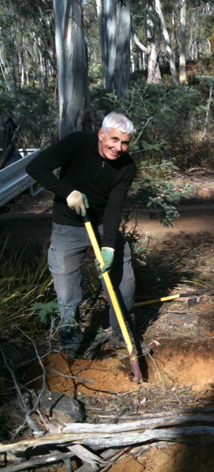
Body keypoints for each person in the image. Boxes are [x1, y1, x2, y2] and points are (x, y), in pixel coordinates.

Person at [27, 112, 148, 358]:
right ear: (101, 134)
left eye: (125, 143)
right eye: (114, 140)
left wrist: (110, 248)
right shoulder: (77, 143)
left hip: (103, 224)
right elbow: (35, 167)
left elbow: (115, 207)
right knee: (67, 292)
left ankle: (121, 335)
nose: (119, 148)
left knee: (123, 283)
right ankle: (71, 344)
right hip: (67, 225)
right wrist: (67, 191)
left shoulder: (126, 166)